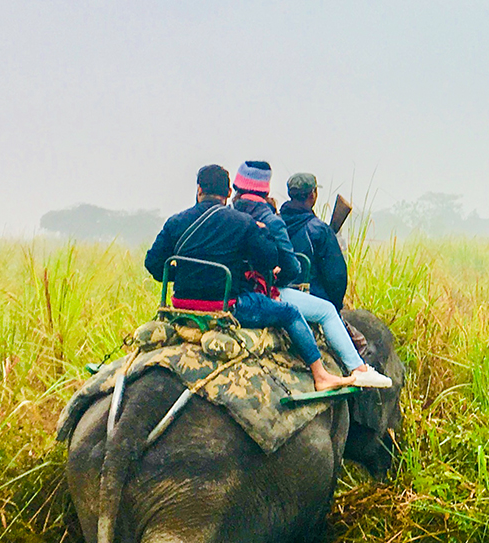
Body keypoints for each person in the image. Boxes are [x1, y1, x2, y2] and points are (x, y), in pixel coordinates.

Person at [144, 164, 362, 392]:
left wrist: (187, 274)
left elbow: (154, 265)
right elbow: (268, 261)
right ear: (228, 193)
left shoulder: (175, 222)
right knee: (290, 312)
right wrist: (262, 233)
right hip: (228, 307)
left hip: (181, 306)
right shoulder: (242, 222)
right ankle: (321, 374)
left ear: (199, 189)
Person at [233, 160, 391, 389]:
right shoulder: (283, 224)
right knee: (327, 311)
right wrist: (277, 283)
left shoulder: (233, 216)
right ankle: (358, 369)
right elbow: (319, 274)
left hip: (234, 290)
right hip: (274, 292)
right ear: (313, 195)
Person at [279, 172, 348, 310]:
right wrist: (336, 306)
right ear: (313, 195)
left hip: (278, 294)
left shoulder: (274, 221)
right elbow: (336, 276)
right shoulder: (320, 230)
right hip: (314, 298)